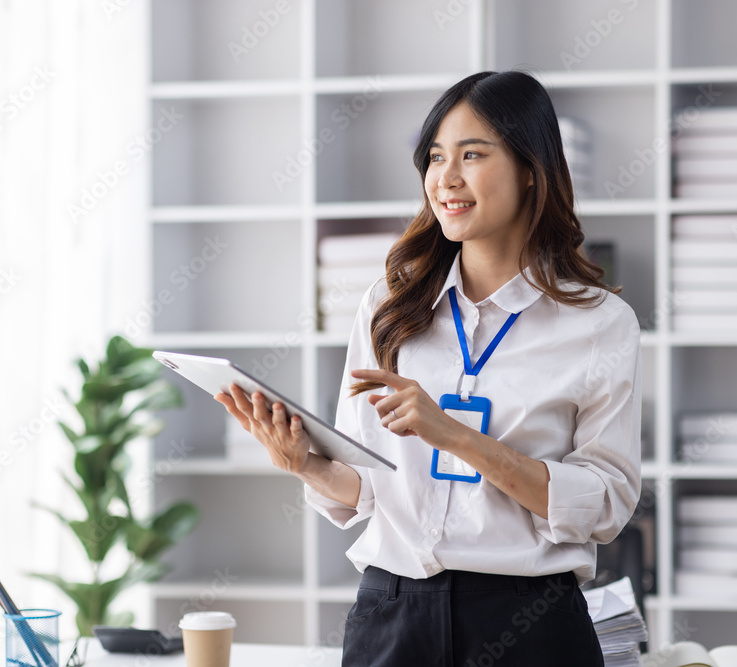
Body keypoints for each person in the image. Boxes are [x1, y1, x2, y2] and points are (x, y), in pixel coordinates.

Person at [216, 70, 641, 666]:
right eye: (436, 156)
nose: (447, 177)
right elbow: (373, 489)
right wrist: (305, 464)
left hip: (529, 624)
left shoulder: (599, 324)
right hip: (393, 618)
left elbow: (603, 506)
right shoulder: (389, 307)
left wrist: (455, 437)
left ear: (530, 168)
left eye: (472, 154)